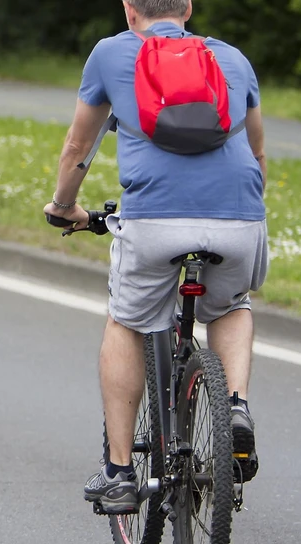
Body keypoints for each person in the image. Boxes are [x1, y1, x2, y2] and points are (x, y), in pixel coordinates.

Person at [45, 0, 267, 514]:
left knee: (126, 320)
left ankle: (121, 473)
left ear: (129, 10)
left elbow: (80, 143)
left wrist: (62, 207)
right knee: (231, 306)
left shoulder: (110, 53)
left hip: (154, 223)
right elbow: (256, 152)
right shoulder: (233, 59)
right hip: (239, 217)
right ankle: (234, 406)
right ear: (187, 8)